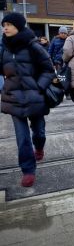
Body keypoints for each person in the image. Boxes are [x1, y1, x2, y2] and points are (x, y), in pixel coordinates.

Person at [0, 12, 55, 187]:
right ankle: (28, 170)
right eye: (4, 25)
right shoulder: (3, 48)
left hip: (35, 98)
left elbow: (49, 70)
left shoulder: (33, 46)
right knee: (22, 138)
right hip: (13, 99)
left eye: (8, 24)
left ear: (19, 26)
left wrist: (39, 87)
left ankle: (39, 147)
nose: (5, 28)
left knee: (38, 133)